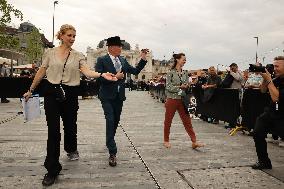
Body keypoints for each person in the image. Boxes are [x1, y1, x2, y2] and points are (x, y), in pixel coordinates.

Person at [23, 24, 116, 186]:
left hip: (71, 93)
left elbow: (86, 71)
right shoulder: (49, 53)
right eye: (69, 35)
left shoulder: (78, 55)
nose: (72, 39)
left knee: (70, 126)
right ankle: (52, 169)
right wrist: (30, 90)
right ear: (61, 36)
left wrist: (101, 74)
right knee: (53, 131)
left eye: (74, 36)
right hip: (52, 92)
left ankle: (71, 147)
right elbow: (41, 72)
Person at [95, 36, 148, 167]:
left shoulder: (123, 60)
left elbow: (135, 71)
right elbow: (98, 78)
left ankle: (109, 140)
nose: (121, 48)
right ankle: (112, 152)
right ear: (111, 47)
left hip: (119, 96)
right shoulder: (102, 59)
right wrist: (114, 77)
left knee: (115, 121)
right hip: (106, 96)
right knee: (110, 120)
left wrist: (143, 58)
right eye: (119, 46)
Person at [164, 53, 204, 149]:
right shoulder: (170, 72)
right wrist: (180, 88)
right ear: (177, 60)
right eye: (183, 59)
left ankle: (194, 141)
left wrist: (187, 85)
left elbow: (186, 84)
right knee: (168, 121)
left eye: (185, 60)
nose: (185, 61)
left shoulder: (185, 72)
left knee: (187, 121)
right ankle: (166, 140)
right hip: (172, 99)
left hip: (183, 100)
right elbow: (168, 87)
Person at [252, 56, 284, 170]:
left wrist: (269, 80)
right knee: (257, 132)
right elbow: (263, 90)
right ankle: (264, 162)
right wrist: (265, 78)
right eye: (273, 65)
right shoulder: (277, 78)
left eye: (277, 66)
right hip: (271, 112)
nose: (275, 68)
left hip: (282, 115)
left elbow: (276, 98)